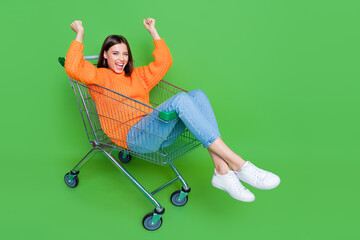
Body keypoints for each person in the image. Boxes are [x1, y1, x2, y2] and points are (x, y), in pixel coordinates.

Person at [65, 19, 280, 203]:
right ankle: (238, 163)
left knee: (198, 95)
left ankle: (222, 170)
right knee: (180, 100)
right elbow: (73, 67)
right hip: (132, 138)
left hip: (155, 132)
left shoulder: (137, 76)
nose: (121, 58)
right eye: (115, 53)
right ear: (105, 55)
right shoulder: (98, 77)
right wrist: (80, 34)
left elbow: (165, 62)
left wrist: (153, 32)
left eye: (125, 54)